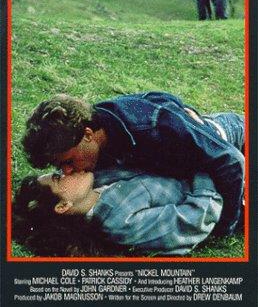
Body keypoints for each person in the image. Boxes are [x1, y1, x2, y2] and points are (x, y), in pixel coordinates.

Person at [22, 91, 245, 236]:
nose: (67, 171)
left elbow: (231, 161)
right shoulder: (91, 126)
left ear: (88, 135)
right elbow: (155, 96)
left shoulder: (154, 128)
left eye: (68, 162)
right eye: (61, 167)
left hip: (233, 137)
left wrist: (225, 229)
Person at [12, 168, 224, 257]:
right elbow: (199, 217)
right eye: (58, 178)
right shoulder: (119, 223)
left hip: (207, 153)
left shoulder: (99, 178)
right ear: (63, 206)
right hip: (225, 184)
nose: (66, 170)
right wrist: (203, 166)